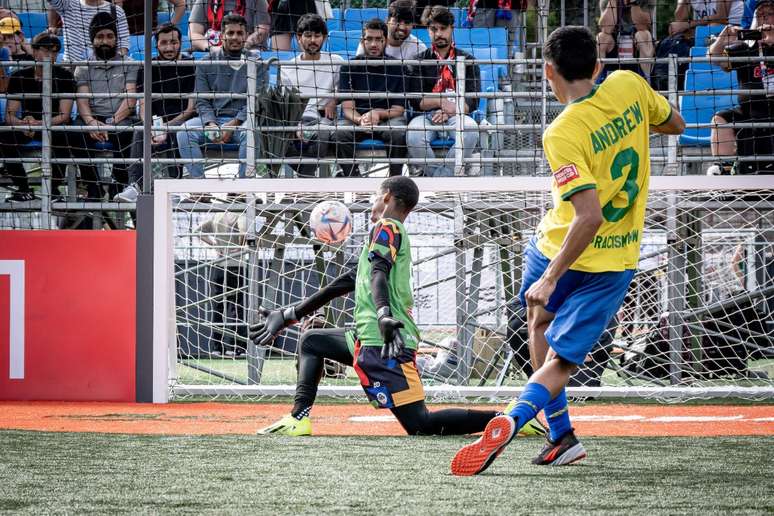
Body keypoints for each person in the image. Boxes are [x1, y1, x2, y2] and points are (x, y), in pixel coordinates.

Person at [450, 26, 684, 476]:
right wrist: (629, 125)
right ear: (598, 66)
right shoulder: (629, 84)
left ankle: (520, 419)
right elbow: (676, 124)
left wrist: (552, 274)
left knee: (540, 322)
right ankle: (560, 437)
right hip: (615, 257)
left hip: (558, 248)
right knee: (563, 359)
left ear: (548, 72)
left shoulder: (561, 131)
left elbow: (588, 215)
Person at [251, 176, 546, 437]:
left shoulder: (387, 228)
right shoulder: (382, 235)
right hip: (370, 337)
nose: (371, 204)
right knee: (313, 341)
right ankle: (298, 418)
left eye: (373, 197)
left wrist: (383, 315)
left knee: (421, 424)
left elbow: (379, 273)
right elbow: (345, 281)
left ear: (387, 197)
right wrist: (289, 314)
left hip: (384, 339)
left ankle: (511, 418)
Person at [0, 33, 97, 202]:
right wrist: (23, 124)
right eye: (46, 50)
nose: (50, 56)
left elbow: (64, 115)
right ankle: (23, 189)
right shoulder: (19, 76)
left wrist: (40, 124)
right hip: (28, 127)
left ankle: (55, 190)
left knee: (72, 136)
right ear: (35, 51)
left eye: (54, 52)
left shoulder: (65, 76)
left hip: (54, 125)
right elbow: (10, 115)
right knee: (3, 136)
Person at [177, 14, 268, 189]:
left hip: (242, 122)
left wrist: (233, 124)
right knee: (184, 132)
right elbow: (202, 100)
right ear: (221, 35)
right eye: (230, 32)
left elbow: (256, 101)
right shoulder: (205, 63)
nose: (235, 37)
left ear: (246, 34)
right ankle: (199, 189)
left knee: (251, 133)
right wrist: (211, 124)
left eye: (239, 33)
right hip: (213, 121)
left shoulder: (258, 64)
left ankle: (243, 189)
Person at [115, 23, 196, 203]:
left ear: (180, 43)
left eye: (173, 42)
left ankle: (175, 187)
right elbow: (143, 104)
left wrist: (167, 127)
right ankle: (135, 185)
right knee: (139, 131)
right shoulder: (147, 67)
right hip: (155, 121)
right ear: (157, 45)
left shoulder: (190, 65)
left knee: (179, 133)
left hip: (180, 120)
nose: (169, 47)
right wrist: (150, 127)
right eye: (164, 43)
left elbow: (190, 109)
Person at [405, 6, 480, 177]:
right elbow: (417, 101)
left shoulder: (468, 60)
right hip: (426, 116)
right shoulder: (418, 61)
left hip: (458, 114)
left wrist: (452, 109)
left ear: (452, 28)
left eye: (443, 28)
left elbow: (472, 100)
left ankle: (440, 178)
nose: (438, 33)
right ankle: (441, 179)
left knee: (470, 130)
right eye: (433, 29)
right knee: (414, 135)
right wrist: (441, 102)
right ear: (428, 30)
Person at [334, 18, 409, 178]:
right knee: (340, 133)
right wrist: (361, 119)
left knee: (398, 133)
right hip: (357, 118)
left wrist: (377, 113)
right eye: (369, 39)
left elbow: (398, 110)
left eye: (378, 39)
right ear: (362, 40)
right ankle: (355, 182)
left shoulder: (398, 67)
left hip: (387, 118)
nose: (373, 44)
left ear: (386, 41)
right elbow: (347, 108)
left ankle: (394, 182)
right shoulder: (348, 67)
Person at [74, 12, 137, 199]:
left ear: (116, 39)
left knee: (126, 133)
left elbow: (130, 99)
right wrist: (91, 122)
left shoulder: (130, 64)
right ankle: (93, 187)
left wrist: (111, 123)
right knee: (74, 132)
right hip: (93, 118)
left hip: (120, 117)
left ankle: (120, 185)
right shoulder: (83, 67)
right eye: (100, 37)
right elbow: (82, 101)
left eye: (110, 36)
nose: (105, 41)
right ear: (92, 40)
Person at [708, 1, 774, 175]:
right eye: (760, 15)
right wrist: (723, 38)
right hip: (750, 110)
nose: (765, 18)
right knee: (719, 120)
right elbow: (713, 58)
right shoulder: (747, 47)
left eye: (770, 14)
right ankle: (725, 171)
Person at [279, 13, 343, 178]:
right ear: (299, 38)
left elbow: (343, 88)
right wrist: (296, 125)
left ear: (324, 37)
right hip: (297, 120)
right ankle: (306, 181)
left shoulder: (336, 61)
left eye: (317, 35)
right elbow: (286, 103)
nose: (313, 40)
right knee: (280, 135)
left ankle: (304, 181)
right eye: (308, 35)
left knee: (321, 133)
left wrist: (334, 100)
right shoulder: (287, 67)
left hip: (324, 120)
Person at [47, 0, 130, 61]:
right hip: (72, 69)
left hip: (105, 71)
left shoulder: (116, 11)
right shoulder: (67, 5)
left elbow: (123, 47)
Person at [597, 0, 655, 79]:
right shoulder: (605, 1)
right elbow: (606, 28)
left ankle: (646, 79)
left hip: (637, 49)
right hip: (614, 46)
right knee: (602, 38)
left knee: (643, 35)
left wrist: (634, 2)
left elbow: (643, 26)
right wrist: (613, 1)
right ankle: (597, 80)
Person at [355, 0, 427, 59]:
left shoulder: (419, 48)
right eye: (397, 21)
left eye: (407, 22)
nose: (402, 27)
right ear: (387, 21)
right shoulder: (369, 40)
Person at [189, 0, 270, 51]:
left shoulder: (257, 1)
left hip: (249, 52)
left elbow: (262, 30)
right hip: (212, 53)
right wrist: (211, 48)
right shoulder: (204, 1)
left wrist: (243, 45)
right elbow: (194, 34)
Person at [115, 0, 186, 35]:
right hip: (128, 36)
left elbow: (181, 4)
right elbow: (117, 13)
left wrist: (171, 25)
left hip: (152, 35)